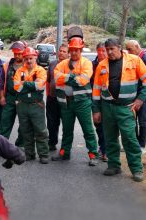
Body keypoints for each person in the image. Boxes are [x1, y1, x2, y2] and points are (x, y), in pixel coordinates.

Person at [93, 38, 146, 182]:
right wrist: (96, 110)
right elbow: (96, 90)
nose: (109, 52)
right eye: (107, 50)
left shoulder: (134, 61)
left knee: (130, 139)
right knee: (110, 138)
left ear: (119, 47)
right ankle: (114, 165)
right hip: (107, 107)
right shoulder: (102, 65)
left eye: (112, 49)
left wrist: (139, 100)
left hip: (125, 108)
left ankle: (136, 169)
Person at [51, 37, 98, 166]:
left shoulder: (87, 63)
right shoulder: (62, 64)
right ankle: (64, 153)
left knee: (88, 129)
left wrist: (66, 78)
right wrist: (74, 77)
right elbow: (56, 77)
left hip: (82, 102)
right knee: (66, 129)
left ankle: (93, 154)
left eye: (77, 50)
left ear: (81, 50)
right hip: (66, 102)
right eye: (72, 50)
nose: (74, 52)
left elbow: (83, 80)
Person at [13, 47, 49, 164]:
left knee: (40, 130)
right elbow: (17, 87)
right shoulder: (19, 71)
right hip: (23, 106)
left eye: (31, 58)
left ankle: (43, 154)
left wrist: (25, 83)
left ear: (35, 58)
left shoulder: (41, 70)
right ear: (24, 59)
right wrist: (32, 85)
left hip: (36, 106)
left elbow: (40, 86)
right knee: (26, 131)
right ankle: (29, 154)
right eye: (27, 58)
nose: (29, 61)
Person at [125, 40, 146, 154]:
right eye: (127, 49)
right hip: (133, 94)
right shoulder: (133, 58)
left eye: (130, 49)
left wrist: (142, 98)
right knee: (132, 120)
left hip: (143, 96)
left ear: (137, 47)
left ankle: (141, 146)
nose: (128, 52)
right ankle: (134, 144)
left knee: (142, 120)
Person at [0, 41, 27, 148]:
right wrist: (2, 97)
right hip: (9, 97)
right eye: (15, 54)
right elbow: (1, 83)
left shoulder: (28, 65)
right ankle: (1, 145)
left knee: (24, 123)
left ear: (23, 52)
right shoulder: (6, 66)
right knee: (5, 122)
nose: (17, 56)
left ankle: (20, 144)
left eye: (19, 54)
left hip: (23, 99)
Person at [46, 43, 69, 152]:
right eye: (60, 50)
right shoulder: (52, 63)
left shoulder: (70, 65)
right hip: (52, 98)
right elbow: (48, 80)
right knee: (52, 122)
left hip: (65, 99)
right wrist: (48, 95)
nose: (61, 53)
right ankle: (52, 142)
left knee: (66, 123)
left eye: (64, 51)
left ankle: (65, 147)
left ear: (68, 54)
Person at [92, 42, 108, 162]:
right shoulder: (93, 64)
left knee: (107, 126)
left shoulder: (110, 64)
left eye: (104, 51)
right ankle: (102, 147)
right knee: (98, 125)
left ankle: (105, 150)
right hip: (95, 100)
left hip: (108, 101)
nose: (101, 53)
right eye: (99, 51)